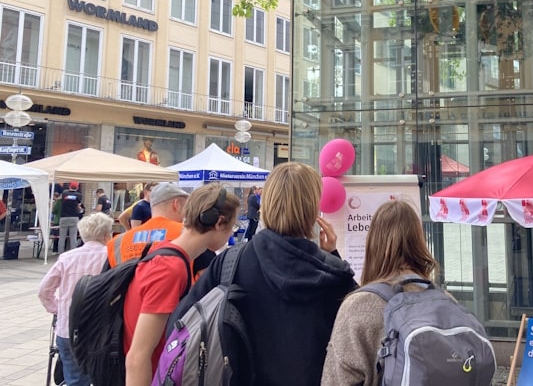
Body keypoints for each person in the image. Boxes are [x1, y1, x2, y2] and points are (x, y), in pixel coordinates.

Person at [173, 162, 356, 386]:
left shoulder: (230, 263)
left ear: (266, 203)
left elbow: (180, 328)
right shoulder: (334, 275)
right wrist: (333, 257)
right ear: (312, 209)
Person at [124, 183, 240, 385]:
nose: (232, 234)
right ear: (220, 223)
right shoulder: (170, 268)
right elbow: (137, 357)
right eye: (233, 226)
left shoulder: (167, 254)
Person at [321, 199, 438, 385]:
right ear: (419, 242)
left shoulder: (358, 306)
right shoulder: (442, 300)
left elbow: (336, 379)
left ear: (373, 244)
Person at [38, 213, 114, 386]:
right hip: (101, 330)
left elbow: (44, 290)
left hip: (67, 329)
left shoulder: (67, 258)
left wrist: (57, 308)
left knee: (75, 379)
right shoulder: (112, 257)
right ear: (105, 235)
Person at [105, 182, 188, 268]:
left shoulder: (116, 243)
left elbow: (107, 277)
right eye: (185, 207)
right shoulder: (187, 234)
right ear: (176, 204)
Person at [58, 182, 83, 254]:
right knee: (73, 237)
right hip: (74, 217)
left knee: (62, 237)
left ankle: (60, 253)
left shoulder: (64, 193)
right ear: (77, 187)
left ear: (69, 186)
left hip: (64, 217)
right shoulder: (78, 195)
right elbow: (79, 205)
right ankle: (73, 253)